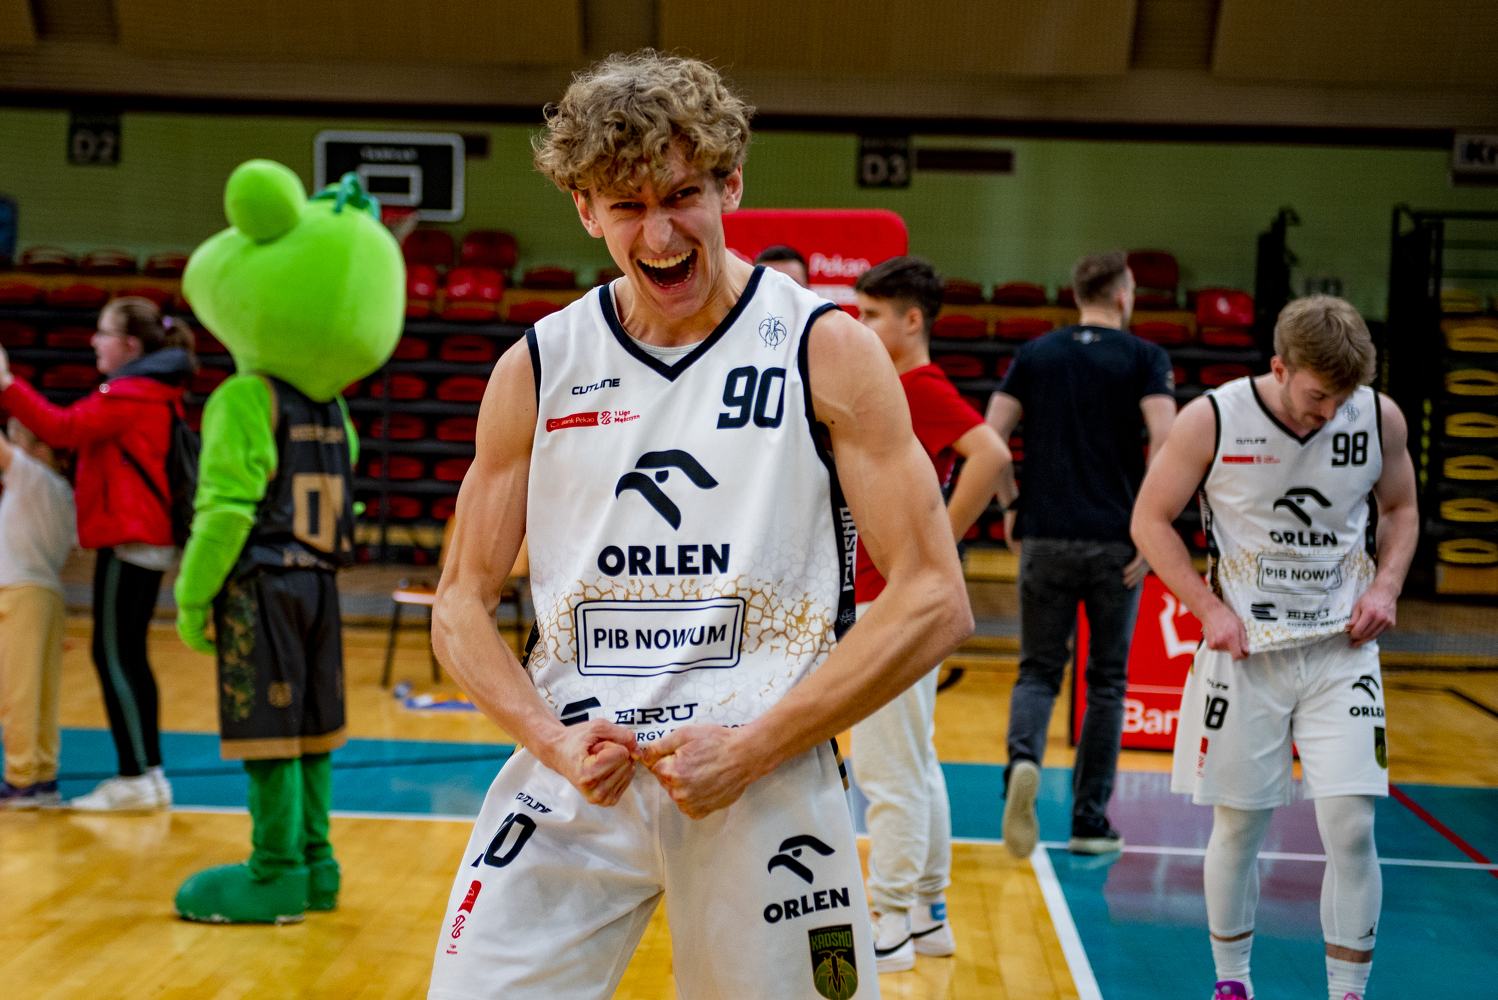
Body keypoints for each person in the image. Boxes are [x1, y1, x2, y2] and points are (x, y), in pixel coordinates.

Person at [427, 50, 972, 1000]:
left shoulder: (826, 351)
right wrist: (551, 741)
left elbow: (934, 598)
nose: (661, 232)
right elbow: (459, 606)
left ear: (731, 184)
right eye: (626, 205)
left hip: (762, 776)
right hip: (579, 775)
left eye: (682, 195)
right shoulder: (539, 366)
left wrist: (754, 746)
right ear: (585, 210)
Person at [1131, 295, 1417, 1000]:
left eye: (1341, 398)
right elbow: (1150, 519)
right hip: (1247, 654)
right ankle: (1233, 983)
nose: (1329, 412)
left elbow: (1402, 508)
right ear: (1280, 367)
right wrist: (1206, 609)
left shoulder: (1378, 417)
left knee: (1351, 826)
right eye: (1318, 396)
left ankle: (1347, 991)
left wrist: (1385, 587)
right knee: (1240, 826)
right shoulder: (1213, 418)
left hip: (1340, 650)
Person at [171, 161, 405, 925]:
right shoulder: (334, 410)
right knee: (314, 734)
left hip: (263, 585)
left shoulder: (248, 396)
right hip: (321, 588)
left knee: (269, 737)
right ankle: (318, 865)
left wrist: (193, 596)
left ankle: (275, 872)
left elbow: (225, 511)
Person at [849, 256, 1014, 972]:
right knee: (914, 759)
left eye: (871, 315)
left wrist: (939, 538)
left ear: (911, 320)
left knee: (886, 767)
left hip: (891, 599)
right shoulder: (899, 387)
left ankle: (886, 922)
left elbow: (991, 453)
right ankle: (926, 912)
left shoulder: (918, 386)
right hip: (893, 594)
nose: (859, 326)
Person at [985, 251, 1176, 857]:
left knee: (1039, 670)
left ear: (1076, 295)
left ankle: (1023, 761)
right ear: (1123, 294)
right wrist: (1151, 527)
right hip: (1117, 541)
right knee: (1107, 682)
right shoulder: (1146, 357)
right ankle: (1089, 821)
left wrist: (1011, 504)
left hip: (1045, 535)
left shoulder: (1036, 354)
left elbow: (992, 435)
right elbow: (1167, 439)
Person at [0, 296, 195, 812]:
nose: (93, 341)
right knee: (129, 654)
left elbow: (61, 427)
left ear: (129, 344)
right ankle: (150, 774)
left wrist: (7, 385)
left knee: (112, 655)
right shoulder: (157, 392)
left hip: (130, 535)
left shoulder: (131, 393)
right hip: (146, 534)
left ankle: (135, 775)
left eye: (103, 332)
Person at [0, 418, 77, 807]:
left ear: (40, 449)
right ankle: (42, 776)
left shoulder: (32, 478)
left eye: (18, 438)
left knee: (17, 693)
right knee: (41, 694)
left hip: (22, 592)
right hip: (47, 593)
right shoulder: (61, 490)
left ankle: (20, 780)